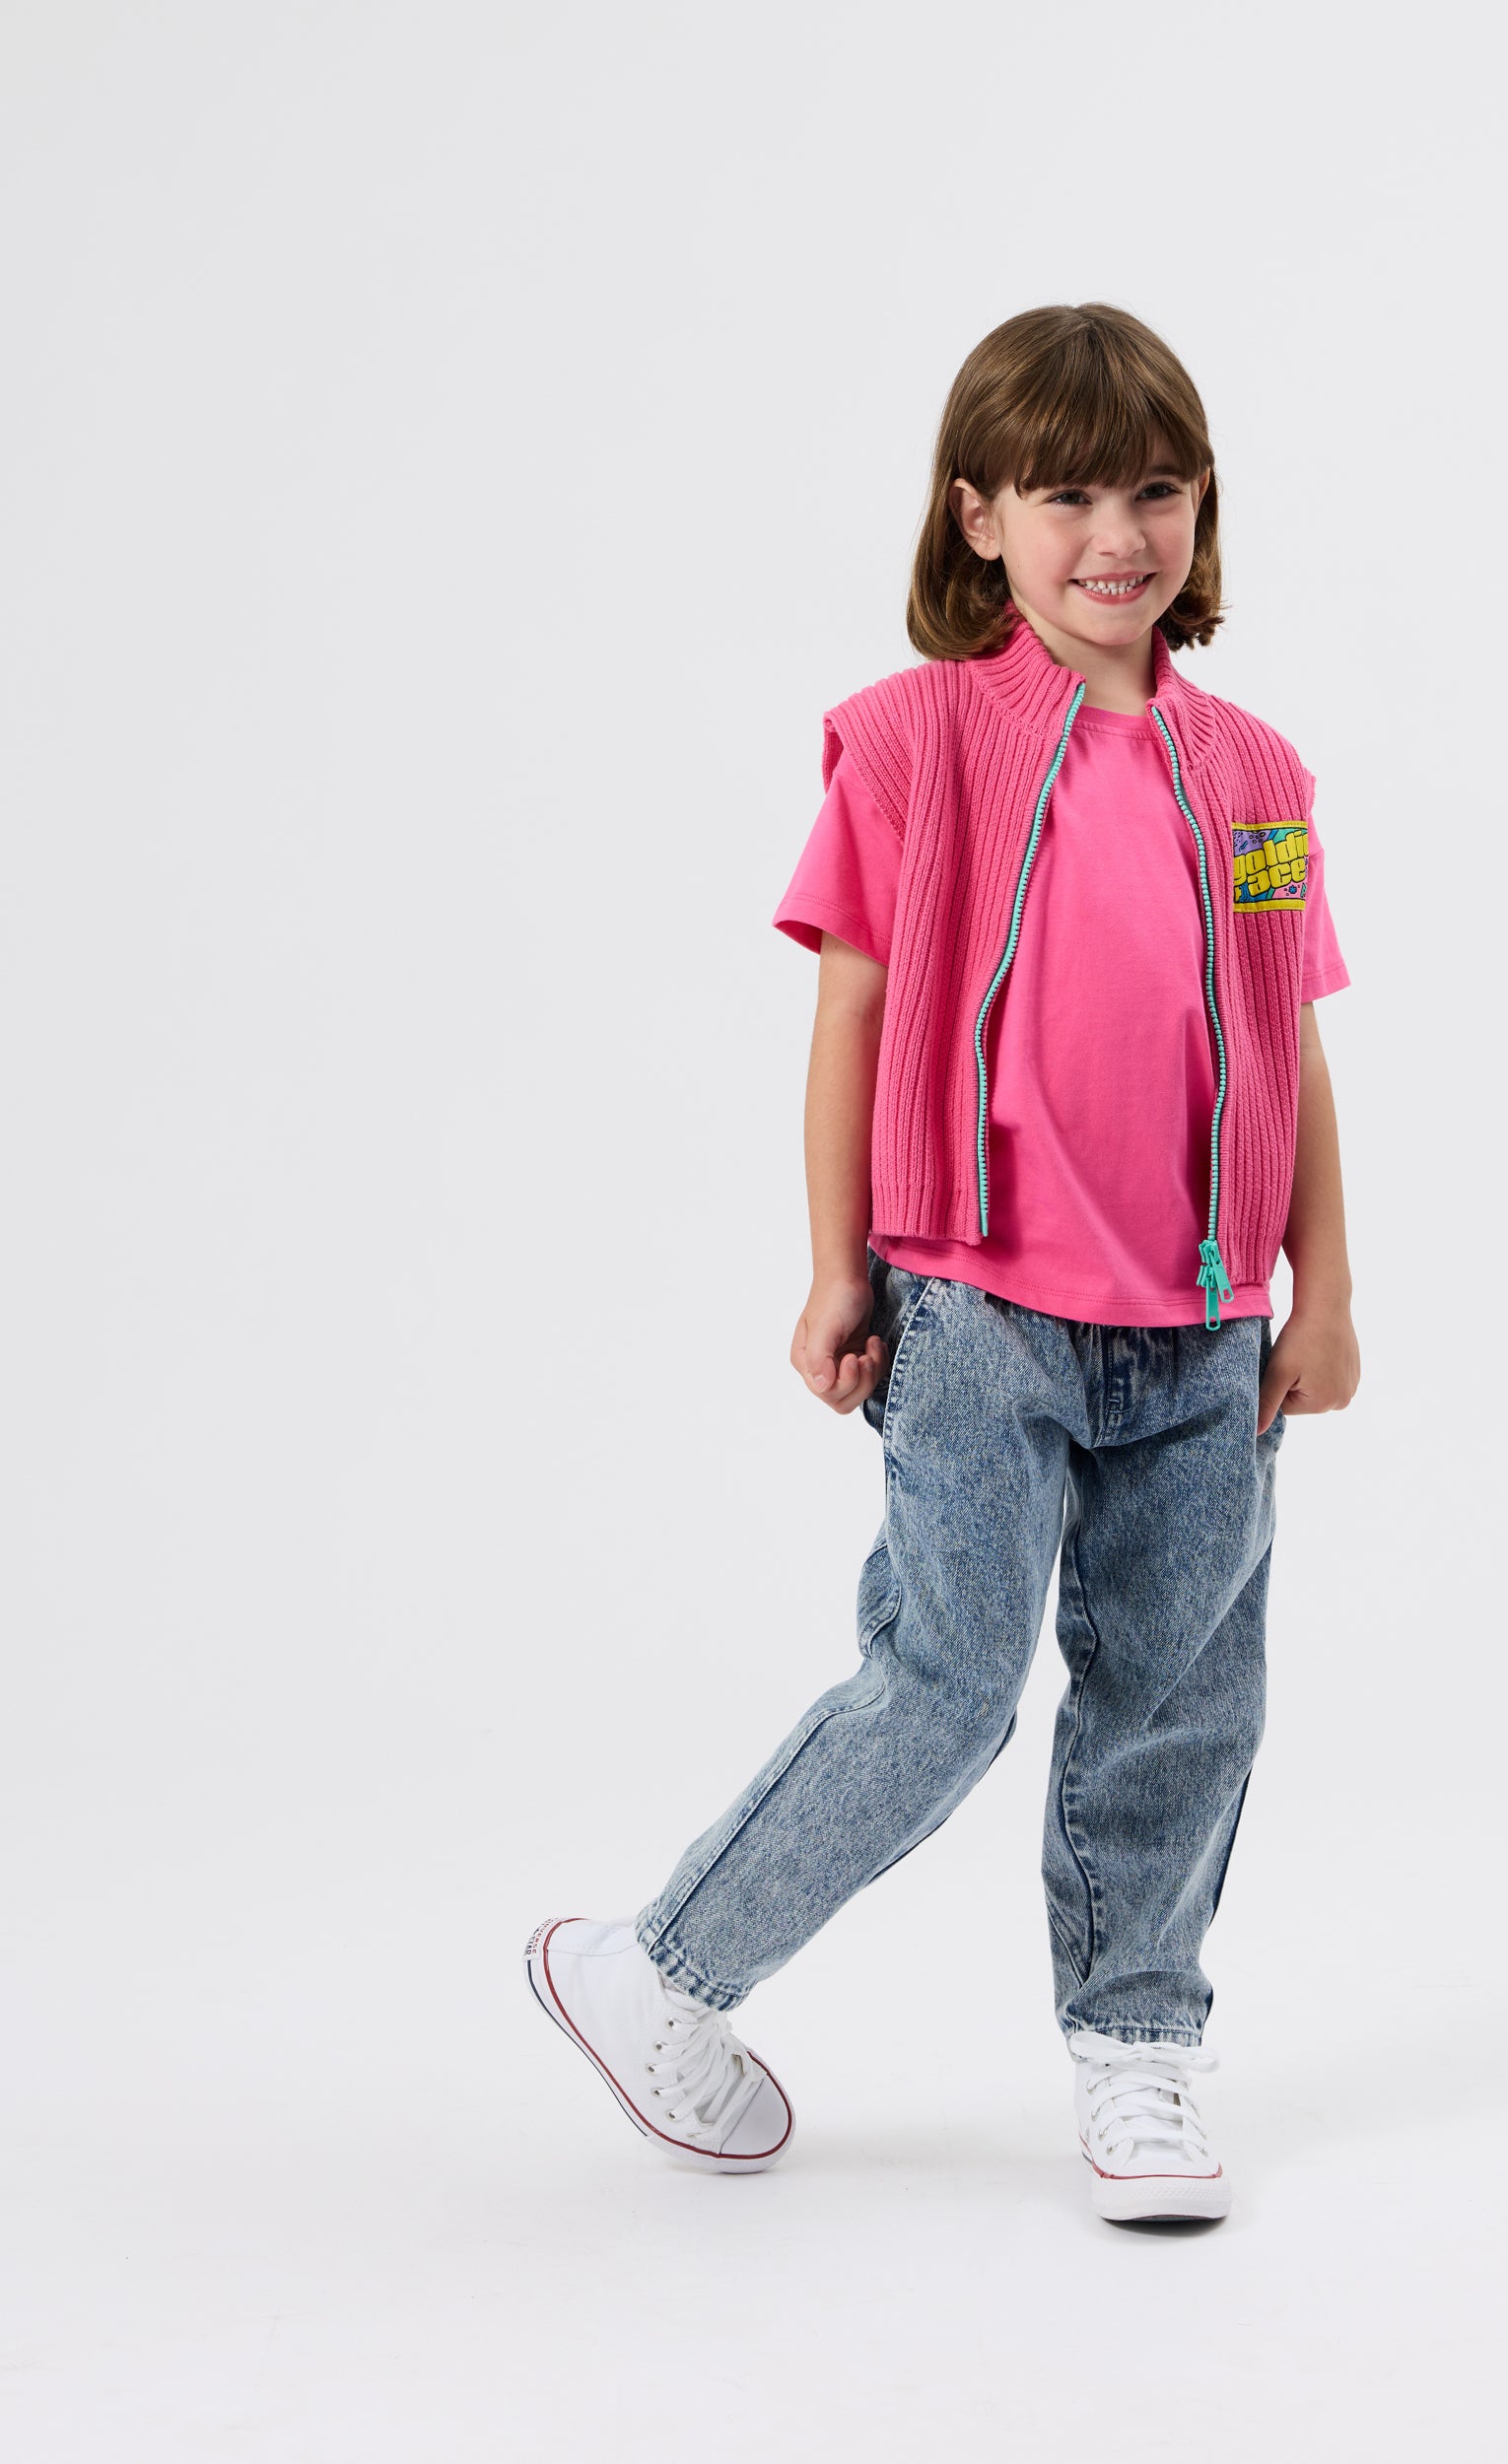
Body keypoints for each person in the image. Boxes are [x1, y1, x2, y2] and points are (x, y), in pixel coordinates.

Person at [525, 301, 1360, 2225]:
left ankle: (1139, 2047)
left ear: (1200, 504)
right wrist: (838, 1266)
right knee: (945, 1685)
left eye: (1153, 491)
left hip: (1200, 1333)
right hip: (976, 1309)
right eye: (1065, 496)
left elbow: (1288, 1029)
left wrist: (1319, 1289)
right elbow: (851, 1010)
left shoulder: (1255, 777)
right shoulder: (913, 747)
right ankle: (660, 1970)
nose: (1115, 538)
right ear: (977, 515)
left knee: (1181, 1700)